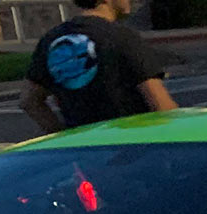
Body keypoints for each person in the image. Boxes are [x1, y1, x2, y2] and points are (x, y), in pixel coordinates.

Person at [19, 0, 176, 134]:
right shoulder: (122, 37)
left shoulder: (51, 41)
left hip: (88, 154)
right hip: (132, 146)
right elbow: (160, 104)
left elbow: (29, 100)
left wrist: (65, 136)